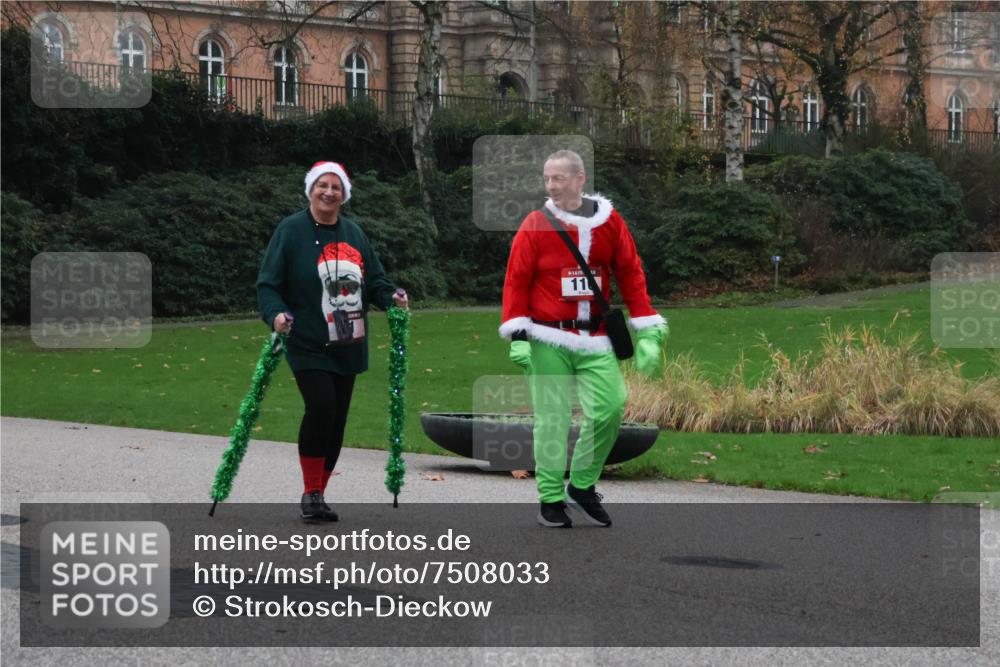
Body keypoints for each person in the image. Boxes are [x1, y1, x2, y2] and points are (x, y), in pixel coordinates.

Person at [499, 149, 667, 528]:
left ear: (580, 179)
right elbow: (516, 280)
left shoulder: (611, 223)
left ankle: (582, 484)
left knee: (611, 408)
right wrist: (519, 334)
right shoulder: (535, 224)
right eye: (546, 179)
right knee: (553, 419)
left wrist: (648, 331)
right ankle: (551, 498)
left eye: (558, 178)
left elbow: (631, 273)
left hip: (596, 339)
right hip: (547, 337)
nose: (551, 186)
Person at [257, 161, 408, 522]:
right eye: (322, 185)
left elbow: (375, 282)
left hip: (348, 341)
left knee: (337, 419)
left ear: (344, 195)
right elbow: (268, 284)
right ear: (311, 190)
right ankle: (310, 492)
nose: (328, 192)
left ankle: (319, 494)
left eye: (336, 187)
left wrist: (393, 298)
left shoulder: (354, 233)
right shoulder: (290, 230)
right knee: (321, 408)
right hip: (306, 338)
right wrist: (276, 314)